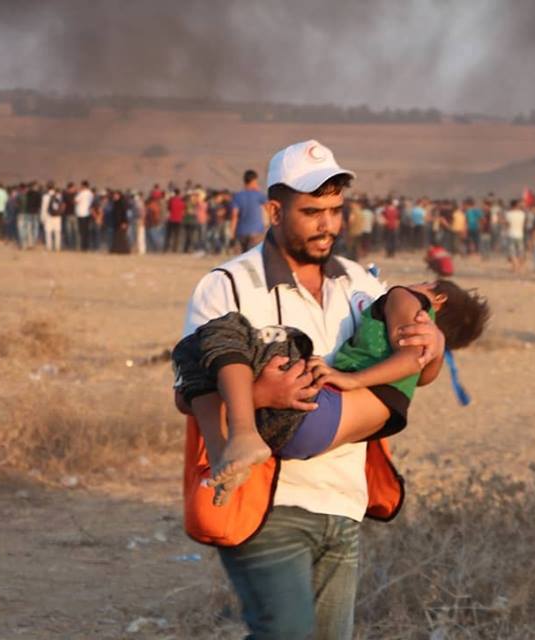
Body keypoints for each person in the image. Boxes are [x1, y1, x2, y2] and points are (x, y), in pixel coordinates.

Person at [178, 140, 446, 638]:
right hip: (268, 504)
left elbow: (414, 375)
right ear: (275, 211)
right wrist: (260, 397)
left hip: (342, 502)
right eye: (312, 212)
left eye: (335, 211)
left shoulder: (359, 284)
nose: (327, 224)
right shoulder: (229, 285)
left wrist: (430, 345)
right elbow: (189, 388)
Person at [174, 278, 488, 505]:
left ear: (438, 298)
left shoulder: (405, 298)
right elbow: (421, 372)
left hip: (322, 409)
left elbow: (409, 359)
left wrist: (352, 379)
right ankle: (231, 451)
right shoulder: (429, 346)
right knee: (206, 362)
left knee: (219, 333)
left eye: (424, 282)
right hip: (307, 435)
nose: (411, 283)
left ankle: (226, 447)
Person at [231, 169, 268, 252]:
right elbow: (269, 208)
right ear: (254, 181)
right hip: (256, 232)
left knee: (243, 259)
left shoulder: (237, 196)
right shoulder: (259, 195)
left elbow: (234, 216)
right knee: (254, 258)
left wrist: (232, 235)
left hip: (241, 232)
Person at [504, 199, 526, 272]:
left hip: (511, 234)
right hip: (520, 234)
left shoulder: (508, 214)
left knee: (512, 252)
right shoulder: (522, 214)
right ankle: (519, 267)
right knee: (520, 251)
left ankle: (515, 267)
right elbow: (523, 224)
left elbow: (507, 224)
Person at [75, 180, 94, 251]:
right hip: (87, 214)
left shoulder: (81, 193)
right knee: (86, 231)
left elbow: (75, 201)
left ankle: (82, 247)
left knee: (81, 231)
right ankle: (86, 246)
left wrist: (78, 192)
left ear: (83, 186)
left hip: (81, 214)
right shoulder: (91, 194)